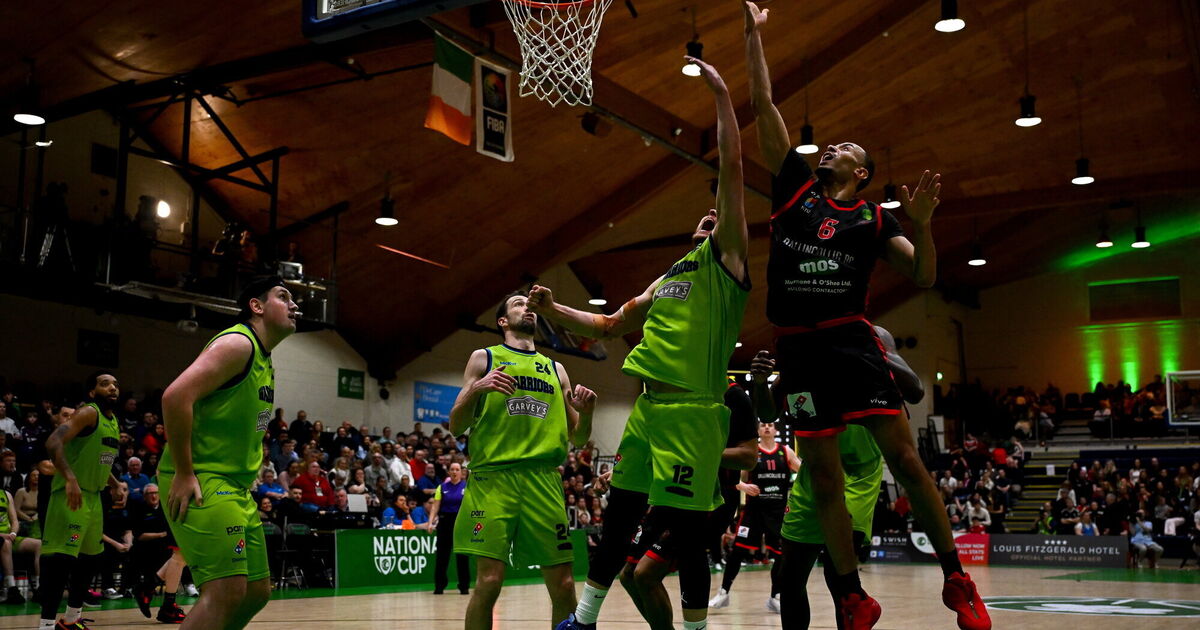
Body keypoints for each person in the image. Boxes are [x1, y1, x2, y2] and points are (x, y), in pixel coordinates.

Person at [741, 4, 987, 629]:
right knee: (821, 474)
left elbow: (925, 275)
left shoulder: (876, 218)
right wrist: (752, 37)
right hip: (797, 347)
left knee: (905, 459)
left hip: (850, 343)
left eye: (847, 147)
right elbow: (764, 105)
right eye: (832, 142)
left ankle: (956, 580)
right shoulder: (794, 187)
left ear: (862, 172)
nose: (834, 144)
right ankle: (851, 595)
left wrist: (926, 227)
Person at [535, 53, 749, 630]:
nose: (711, 216)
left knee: (687, 533)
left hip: (692, 412)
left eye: (718, 215)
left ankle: (697, 627)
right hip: (647, 409)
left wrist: (724, 98)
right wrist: (553, 311)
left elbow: (731, 166)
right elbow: (609, 327)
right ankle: (585, 618)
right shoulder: (671, 275)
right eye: (704, 217)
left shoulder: (727, 265)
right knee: (620, 514)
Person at [448, 291, 598, 630]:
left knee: (563, 585)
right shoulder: (483, 358)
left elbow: (579, 437)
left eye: (529, 305)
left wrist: (587, 414)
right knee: (488, 582)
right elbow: (456, 425)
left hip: (543, 480)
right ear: (503, 321)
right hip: (493, 480)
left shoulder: (556, 369)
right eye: (518, 304)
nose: (526, 307)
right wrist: (477, 389)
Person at [159, 276, 299, 630]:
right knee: (224, 591)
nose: (295, 305)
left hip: (235, 487)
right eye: (283, 297)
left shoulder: (264, 359)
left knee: (256, 591)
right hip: (202, 478)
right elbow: (175, 397)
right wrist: (185, 471)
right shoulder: (239, 343)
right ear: (257, 306)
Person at [773, 325, 923, 630]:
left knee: (838, 574)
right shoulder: (799, 345)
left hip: (857, 475)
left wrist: (866, 352)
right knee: (788, 578)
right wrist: (764, 382)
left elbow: (916, 390)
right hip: (813, 474)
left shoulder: (873, 335)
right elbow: (767, 410)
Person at [39, 372, 124, 630]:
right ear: (92, 392)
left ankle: (72, 619)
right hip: (71, 496)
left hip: (94, 498)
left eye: (115, 384)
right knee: (61, 562)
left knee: (90, 560)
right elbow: (53, 442)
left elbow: (98, 458)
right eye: (105, 383)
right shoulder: (89, 412)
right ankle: (45, 626)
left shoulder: (114, 422)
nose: (112, 388)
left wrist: (115, 484)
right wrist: (69, 477)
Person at [708, 418, 799, 612]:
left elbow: (803, 473)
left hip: (778, 513)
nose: (767, 427)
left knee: (782, 555)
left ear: (775, 430)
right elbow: (733, 478)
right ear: (758, 430)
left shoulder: (785, 452)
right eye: (763, 425)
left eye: (770, 425)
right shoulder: (752, 453)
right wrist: (744, 486)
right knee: (737, 552)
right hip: (754, 512)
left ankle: (776, 596)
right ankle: (723, 593)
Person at [131, 484, 188, 623]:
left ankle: (148, 587)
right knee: (181, 555)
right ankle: (168, 606)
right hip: (184, 500)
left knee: (184, 555)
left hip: (184, 499)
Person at [428, 462, 470, 595]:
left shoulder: (467, 487)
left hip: (461, 523)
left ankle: (464, 586)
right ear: (449, 472)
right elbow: (435, 506)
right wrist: (430, 522)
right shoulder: (442, 487)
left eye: (457, 470)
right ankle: (439, 586)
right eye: (452, 469)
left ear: (461, 472)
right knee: (442, 556)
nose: (454, 472)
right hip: (445, 523)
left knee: (462, 557)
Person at [1, 484, 41, 604]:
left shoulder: (6, 495)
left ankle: (40, 588)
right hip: (3, 539)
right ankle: (12, 589)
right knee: (5, 543)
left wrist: (13, 533)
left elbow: (14, 520)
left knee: (39, 544)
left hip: (9, 537)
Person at [100, 481, 133, 600]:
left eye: (125, 490)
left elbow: (128, 530)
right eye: (120, 489)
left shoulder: (129, 506)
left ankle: (126, 588)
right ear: (111, 491)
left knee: (134, 553)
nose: (122, 493)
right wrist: (116, 544)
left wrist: (129, 543)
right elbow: (97, 532)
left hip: (120, 542)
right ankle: (107, 588)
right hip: (104, 541)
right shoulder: (103, 505)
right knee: (106, 553)